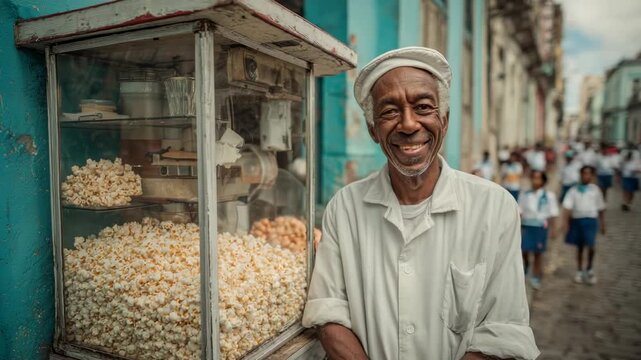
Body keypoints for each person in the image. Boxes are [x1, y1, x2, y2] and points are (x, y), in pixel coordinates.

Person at [303, 47, 539, 360]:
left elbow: (502, 330)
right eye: (389, 112)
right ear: (374, 130)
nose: (409, 124)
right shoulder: (345, 208)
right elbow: (328, 310)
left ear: (444, 119)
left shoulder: (494, 207)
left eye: (423, 107)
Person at [562, 166, 606, 285]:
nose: (586, 176)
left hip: (591, 219)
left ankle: (590, 268)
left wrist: (602, 223)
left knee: (591, 245)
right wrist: (565, 222)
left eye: (588, 174)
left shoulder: (595, 190)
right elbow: (567, 207)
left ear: (591, 176)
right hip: (577, 220)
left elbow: (601, 207)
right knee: (580, 247)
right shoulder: (574, 190)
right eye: (584, 173)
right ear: (580, 175)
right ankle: (580, 270)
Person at [518, 170, 559, 290]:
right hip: (527, 226)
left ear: (543, 181)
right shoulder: (525, 194)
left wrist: (554, 229)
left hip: (540, 227)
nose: (535, 181)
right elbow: (519, 211)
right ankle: (526, 267)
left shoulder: (549, 196)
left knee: (538, 253)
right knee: (524, 250)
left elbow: (553, 213)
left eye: (538, 178)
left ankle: (536, 275)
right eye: (533, 178)